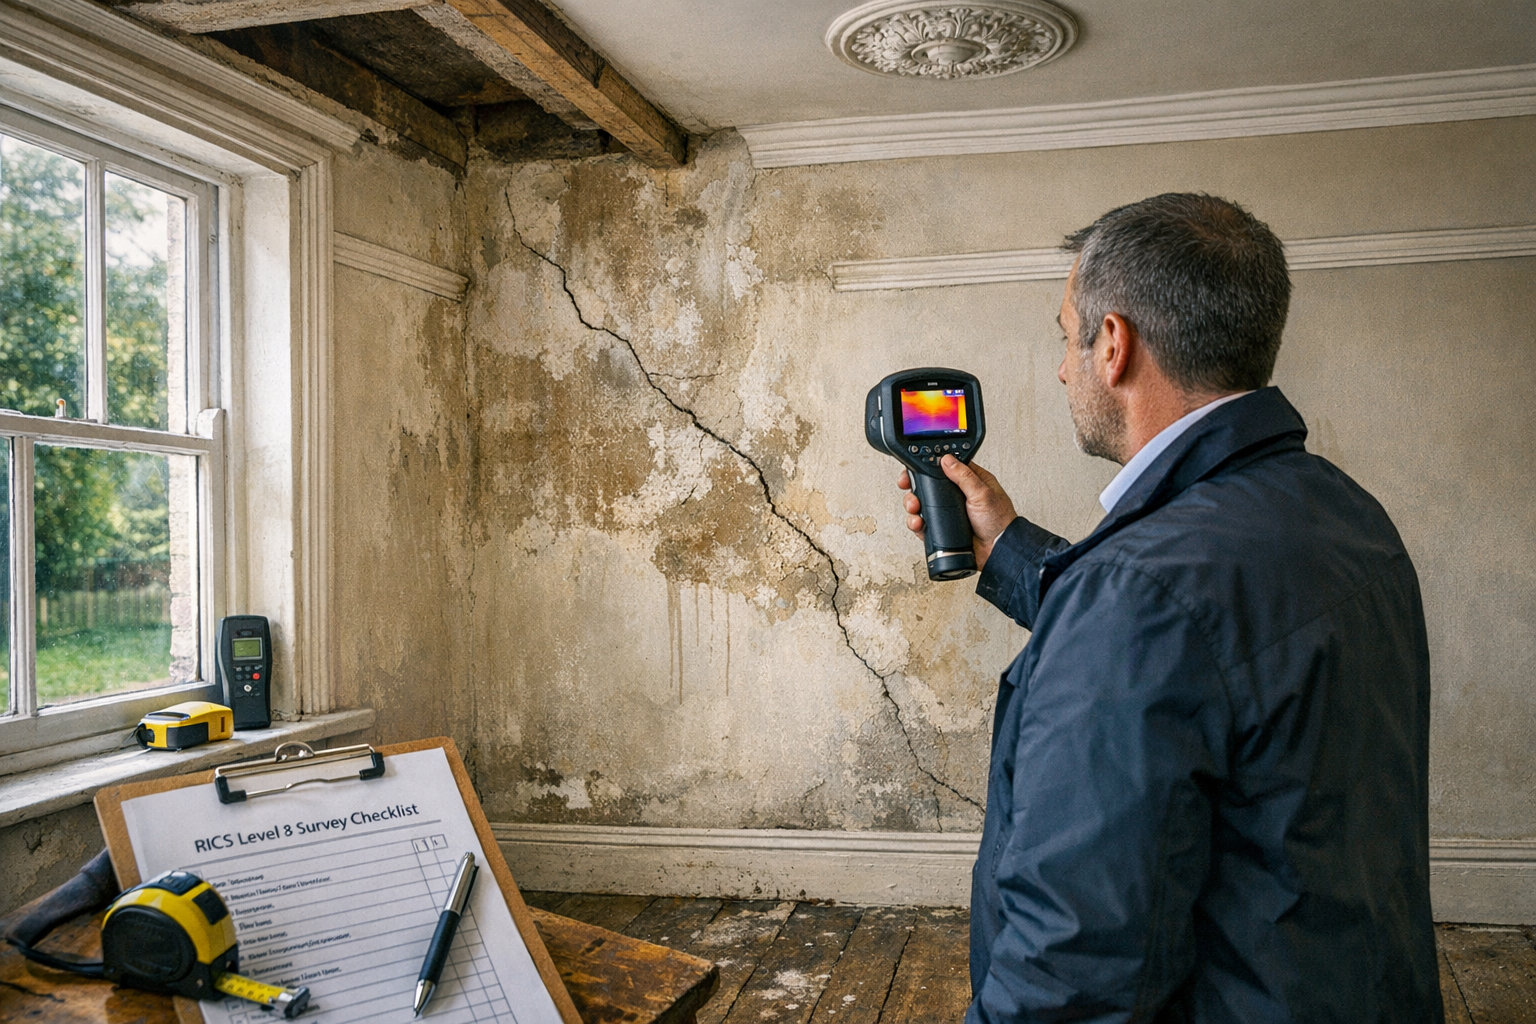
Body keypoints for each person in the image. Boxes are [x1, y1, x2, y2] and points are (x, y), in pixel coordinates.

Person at [898, 193, 1440, 1022]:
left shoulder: (1137, 592)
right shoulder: (1346, 514)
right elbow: (1204, 657)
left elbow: (1072, 968)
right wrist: (1005, 546)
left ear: (1112, 344)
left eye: (1064, 334)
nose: (1061, 367)